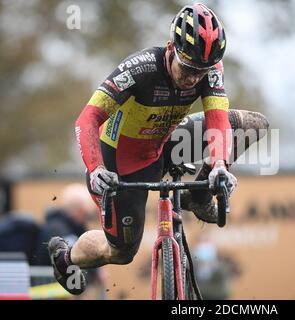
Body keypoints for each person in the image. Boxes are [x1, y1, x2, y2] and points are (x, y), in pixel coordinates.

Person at [48, 3, 269, 295]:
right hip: (119, 166)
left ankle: (199, 196)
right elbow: (87, 118)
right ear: (170, 49)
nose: (192, 78)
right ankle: (66, 257)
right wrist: (96, 168)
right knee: (122, 252)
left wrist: (219, 166)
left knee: (252, 125)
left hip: (166, 144)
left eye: (200, 72)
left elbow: (217, 119)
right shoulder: (140, 69)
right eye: (188, 68)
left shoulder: (209, 70)